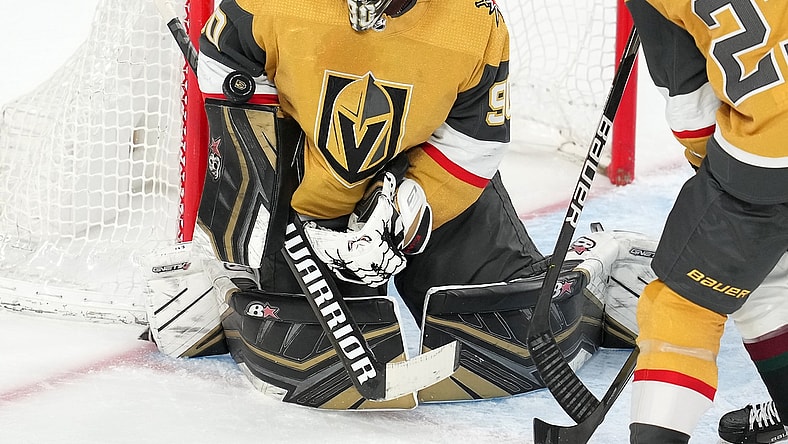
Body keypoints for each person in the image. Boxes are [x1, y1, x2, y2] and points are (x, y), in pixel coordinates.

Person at [142, 0, 641, 411]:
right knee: (296, 328)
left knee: (510, 323)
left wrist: (406, 211)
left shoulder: (474, 20)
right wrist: (286, 209)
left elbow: (473, 142)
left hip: (412, 176)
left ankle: (597, 261)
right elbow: (227, 78)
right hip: (298, 185)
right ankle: (220, 283)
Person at [623, 0, 788, 442]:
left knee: (682, 306)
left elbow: (693, 109)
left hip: (771, 157)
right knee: (769, 271)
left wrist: (711, 177)